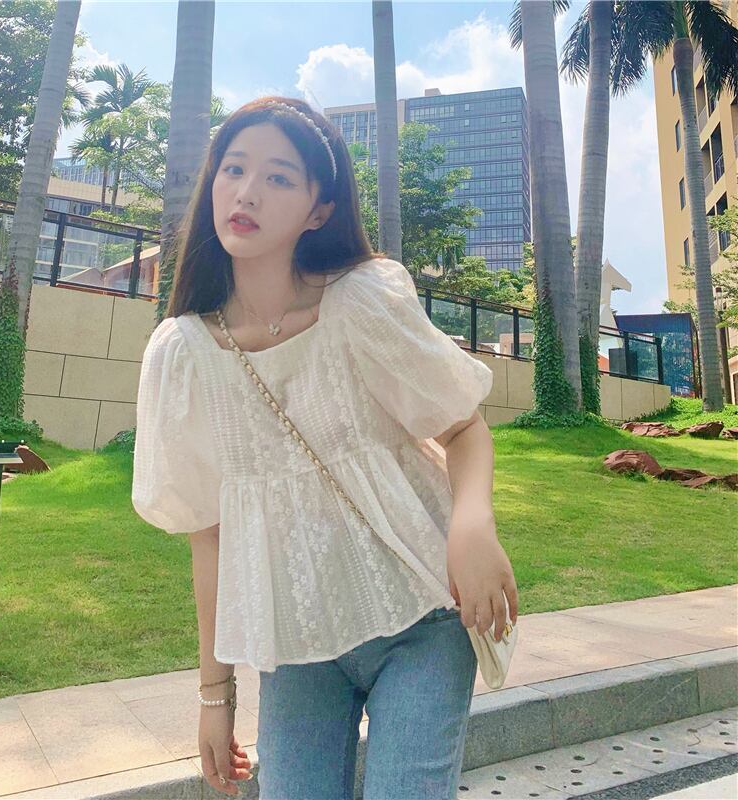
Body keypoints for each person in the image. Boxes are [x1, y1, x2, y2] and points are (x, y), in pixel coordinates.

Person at [131, 96, 519, 800]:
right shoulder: (183, 355)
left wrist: (472, 525)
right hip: (298, 641)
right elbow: (208, 534)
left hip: (425, 615)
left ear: (318, 210)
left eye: (279, 177)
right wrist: (215, 697)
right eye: (234, 169)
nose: (247, 192)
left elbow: (462, 428)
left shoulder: (362, 303)